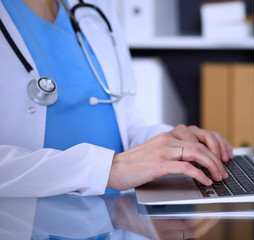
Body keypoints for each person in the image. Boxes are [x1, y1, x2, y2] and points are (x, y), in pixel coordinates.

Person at [0, 0, 233, 197]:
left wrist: (168, 143)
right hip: (31, 223)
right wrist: (108, 169)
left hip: (113, 217)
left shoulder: (96, 7)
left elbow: (123, 120)